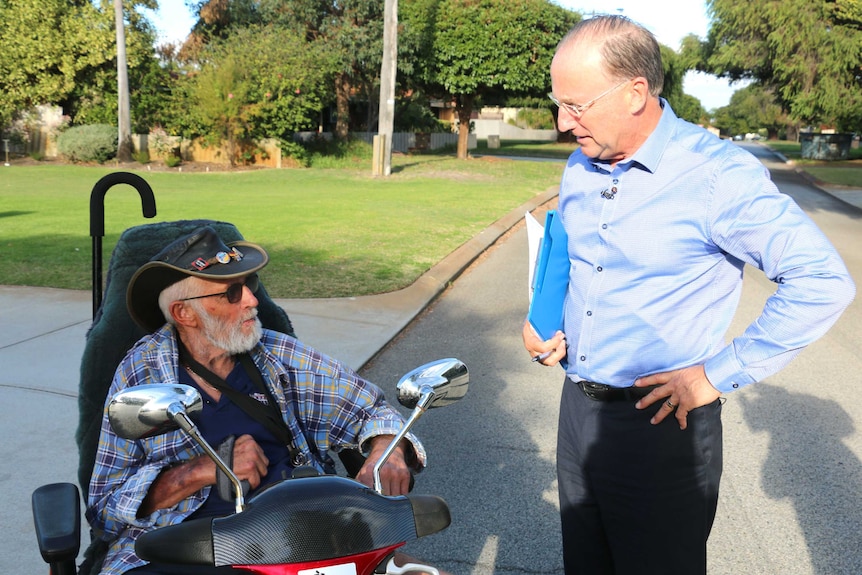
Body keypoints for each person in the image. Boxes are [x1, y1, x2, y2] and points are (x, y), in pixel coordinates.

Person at [523, 15, 855, 575]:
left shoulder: (717, 175)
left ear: (635, 93)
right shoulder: (581, 167)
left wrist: (713, 375)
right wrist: (542, 319)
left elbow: (822, 281)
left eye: (576, 105)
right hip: (577, 411)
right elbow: (571, 254)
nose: (562, 122)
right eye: (558, 103)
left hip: (662, 427)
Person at [86, 226, 425, 575]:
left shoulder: (277, 355)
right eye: (232, 293)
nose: (252, 300)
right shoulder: (141, 372)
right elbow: (105, 512)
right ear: (184, 314)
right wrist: (200, 471)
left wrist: (388, 449)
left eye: (250, 285)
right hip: (181, 547)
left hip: (299, 537)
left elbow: (370, 409)